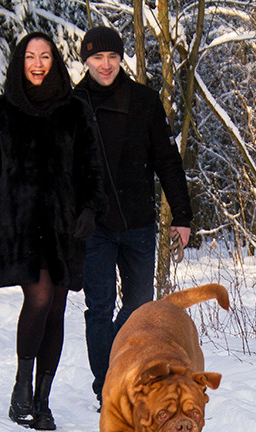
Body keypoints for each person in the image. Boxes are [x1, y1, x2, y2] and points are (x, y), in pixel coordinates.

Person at [0, 32, 105, 430]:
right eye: (30, 57)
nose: (37, 64)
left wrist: (91, 207)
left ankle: (43, 401)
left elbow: (92, 166)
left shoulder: (74, 110)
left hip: (64, 223)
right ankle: (21, 391)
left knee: (56, 307)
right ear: (19, 62)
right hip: (20, 223)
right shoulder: (0, 111)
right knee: (39, 298)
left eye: (45, 56)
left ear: (55, 61)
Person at [73, 26, 194, 408]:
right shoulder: (74, 105)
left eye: (112, 57)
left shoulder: (144, 100)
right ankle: (106, 387)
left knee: (142, 308)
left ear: (121, 58)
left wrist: (183, 215)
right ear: (86, 61)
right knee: (99, 307)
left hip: (140, 224)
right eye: (97, 58)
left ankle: (124, 368)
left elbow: (167, 161)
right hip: (94, 227)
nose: (105, 65)